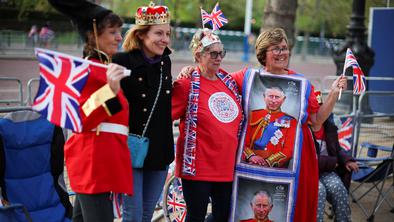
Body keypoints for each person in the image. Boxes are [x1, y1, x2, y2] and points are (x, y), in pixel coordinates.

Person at [177, 27, 347, 222]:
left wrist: (333, 93)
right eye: (275, 48)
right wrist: (192, 70)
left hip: (286, 166)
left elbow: (316, 122)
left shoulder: (301, 83)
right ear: (263, 52)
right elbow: (213, 79)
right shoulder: (247, 77)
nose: (282, 53)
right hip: (248, 165)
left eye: (284, 48)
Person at [48, 0, 133, 221]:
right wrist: (109, 92)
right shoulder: (86, 71)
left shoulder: (104, 68)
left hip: (104, 162)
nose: (119, 38)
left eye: (119, 32)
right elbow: (79, 117)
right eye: (113, 32)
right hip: (94, 164)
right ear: (93, 36)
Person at [111, 2, 174, 222]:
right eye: (159, 33)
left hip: (160, 150)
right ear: (141, 35)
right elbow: (111, 107)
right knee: (133, 216)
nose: (165, 39)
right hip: (130, 150)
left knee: (146, 215)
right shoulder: (120, 61)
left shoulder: (165, 62)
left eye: (167, 33)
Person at [172, 28, 243, 222]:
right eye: (213, 53)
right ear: (198, 55)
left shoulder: (228, 81)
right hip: (198, 167)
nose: (219, 58)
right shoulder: (187, 84)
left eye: (221, 53)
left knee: (222, 216)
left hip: (226, 166)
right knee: (196, 216)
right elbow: (165, 115)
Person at [312, 91, 359, 222]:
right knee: (318, 191)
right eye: (314, 109)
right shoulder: (302, 130)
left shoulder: (329, 127)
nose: (318, 112)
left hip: (327, 171)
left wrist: (347, 160)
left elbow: (337, 149)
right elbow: (307, 159)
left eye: (321, 108)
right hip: (308, 173)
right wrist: (333, 163)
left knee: (339, 189)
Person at [243, 86, 297, 168]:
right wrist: (251, 157)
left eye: (277, 97)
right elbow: (243, 142)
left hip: (275, 167)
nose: (273, 100)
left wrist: (269, 162)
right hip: (251, 163)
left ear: (283, 99)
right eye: (270, 96)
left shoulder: (290, 120)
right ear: (264, 97)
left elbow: (289, 150)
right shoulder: (253, 115)